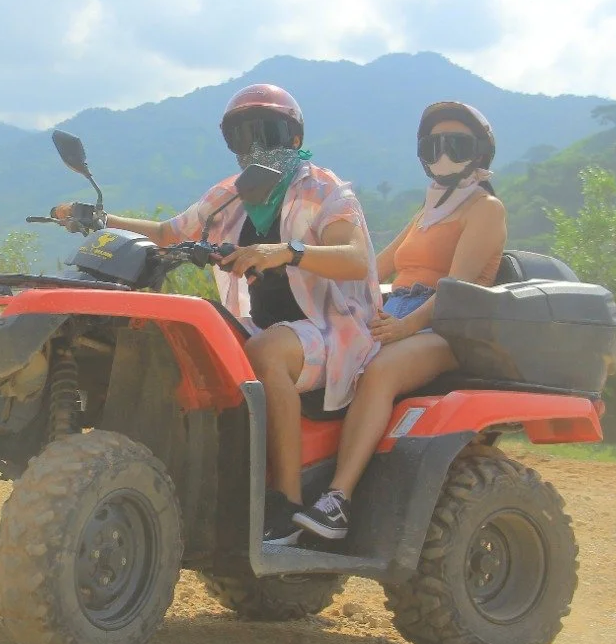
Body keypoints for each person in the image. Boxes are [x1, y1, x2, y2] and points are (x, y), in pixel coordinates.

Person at [53, 84, 381, 545]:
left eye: (265, 131)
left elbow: (354, 258)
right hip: (262, 322)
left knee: (265, 352)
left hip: (333, 327)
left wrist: (286, 252)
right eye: (242, 136)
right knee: (183, 338)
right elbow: (169, 233)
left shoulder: (324, 189)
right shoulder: (231, 195)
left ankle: (285, 503)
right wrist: (103, 221)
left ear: (292, 137)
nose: (254, 146)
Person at [291, 101, 507, 542]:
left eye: (457, 144)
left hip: (447, 326)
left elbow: (456, 287)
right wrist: (305, 266)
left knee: (379, 371)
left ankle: (338, 499)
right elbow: (376, 267)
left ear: (480, 152)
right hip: (400, 312)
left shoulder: (485, 209)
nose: (444, 153)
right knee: (325, 349)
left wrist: (406, 328)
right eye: (435, 144)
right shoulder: (428, 212)